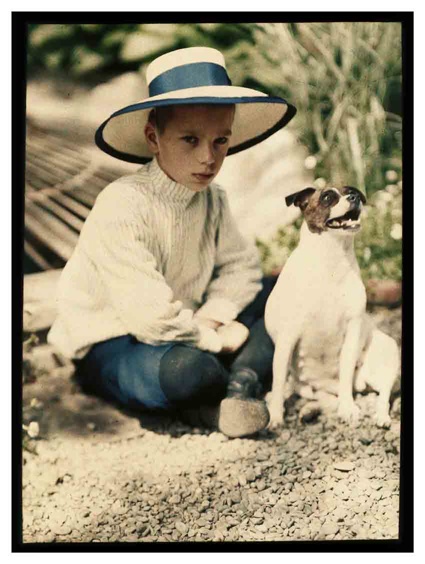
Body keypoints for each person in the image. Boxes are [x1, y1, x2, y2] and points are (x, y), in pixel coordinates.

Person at [47, 46, 296, 438]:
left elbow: (241, 265)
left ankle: (239, 388)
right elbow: (147, 315)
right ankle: (223, 389)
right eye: (190, 140)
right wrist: (212, 338)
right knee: (187, 371)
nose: (208, 158)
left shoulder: (213, 199)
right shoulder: (123, 203)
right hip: (117, 340)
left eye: (220, 141)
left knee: (280, 289)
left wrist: (214, 315)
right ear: (153, 137)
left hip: (191, 324)